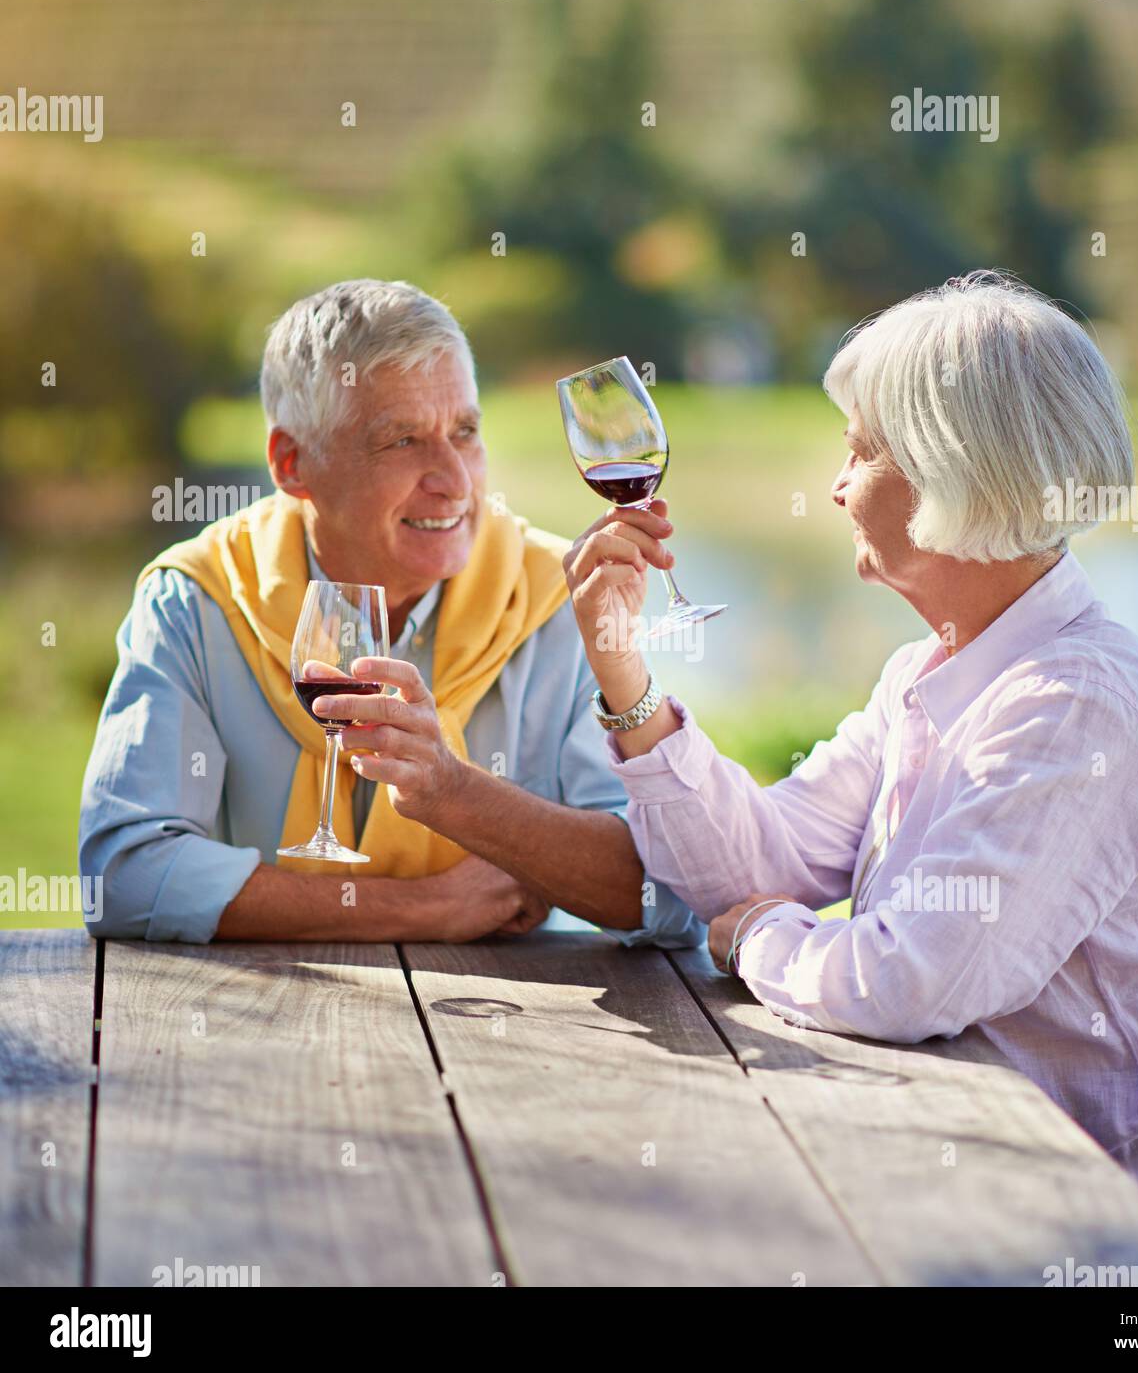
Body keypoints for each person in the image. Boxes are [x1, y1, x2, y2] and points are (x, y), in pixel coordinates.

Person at [557, 271, 1138, 1287]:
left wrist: (760, 937)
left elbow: (912, 979)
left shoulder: (1079, 704)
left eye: (860, 452)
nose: (834, 484)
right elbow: (760, 860)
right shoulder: (929, 671)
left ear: (954, 474)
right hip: (1045, 1186)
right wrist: (624, 672)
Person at [79, 278, 701, 950]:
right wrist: (430, 908)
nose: (454, 480)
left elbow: (671, 894)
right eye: (402, 441)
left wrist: (456, 795)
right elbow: (122, 876)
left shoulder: (558, 599)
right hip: (251, 1034)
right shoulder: (198, 598)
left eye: (464, 432)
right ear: (293, 464)